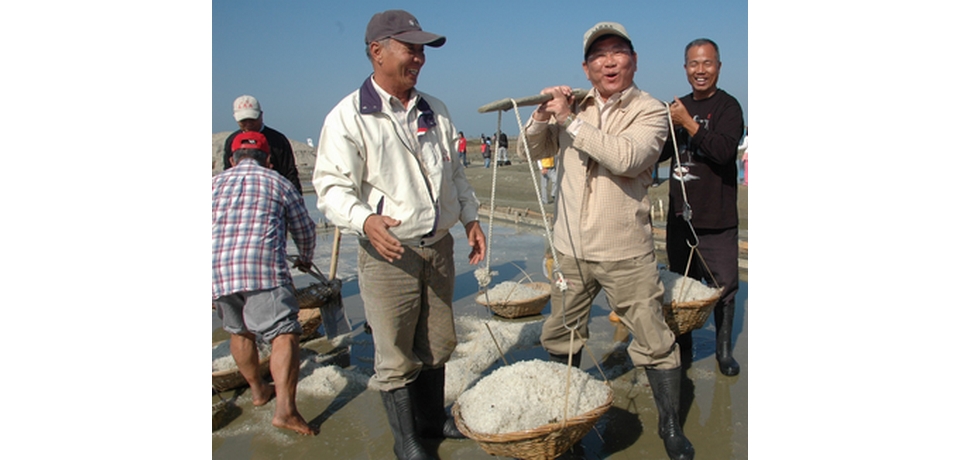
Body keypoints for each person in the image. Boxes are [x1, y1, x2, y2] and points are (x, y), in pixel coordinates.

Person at [312, 9, 486, 460]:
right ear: (377, 51)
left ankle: (431, 420)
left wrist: (470, 218)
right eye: (410, 48)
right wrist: (365, 219)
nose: (420, 58)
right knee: (394, 352)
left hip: (440, 248)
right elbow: (331, 187)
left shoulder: (435, 109)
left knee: (437, 342)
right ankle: (407, 442)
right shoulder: (349, 116)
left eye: (422, 50)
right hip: (389, 252)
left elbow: (456, 174)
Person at [522, 22, 694, 460]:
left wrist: (569, 120)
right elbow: (532, 148)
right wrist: (543, 115)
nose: (610, 61)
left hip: (625, 251)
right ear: (586, 68)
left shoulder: (650, 110)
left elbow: (626, 158)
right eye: (599, 56)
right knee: (561, 335)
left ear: (634, 61)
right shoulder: (574, 106)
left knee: (654, 341)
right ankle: (567, 421)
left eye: (618, 52)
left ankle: (671, 425)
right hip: (570, 250)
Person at [212, 131, 317, 436]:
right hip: (260, 268)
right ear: (269, 160)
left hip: (216, 270)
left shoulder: (212, 185)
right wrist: (306, 258)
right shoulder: (278, 183)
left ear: (232, 160)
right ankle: (286, 411)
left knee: (238, 329)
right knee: (284, 333)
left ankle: (258, 391)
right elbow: (305, 230)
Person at [658, 38, 744, 378]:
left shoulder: (729, 108)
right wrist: (667, 125)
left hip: (717, 218)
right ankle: (684, 345)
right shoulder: (676, 108)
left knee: (724, 288)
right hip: (681, 216)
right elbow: (661, 153)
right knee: (679, 287)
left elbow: (724, 152)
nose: (701, 70)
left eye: (707, 63)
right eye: (694, 64)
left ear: (719, 67)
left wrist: (689, 123)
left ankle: (724, 351)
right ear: (685, 69)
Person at [223, 95, 303, 195]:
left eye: (252, 119)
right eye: (243, 120)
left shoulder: (278, 140)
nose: (248, 123)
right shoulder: (231, 141)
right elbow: (227, 173)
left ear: (261, 115)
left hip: (273, 195)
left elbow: (290, 174)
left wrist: (296, 198)